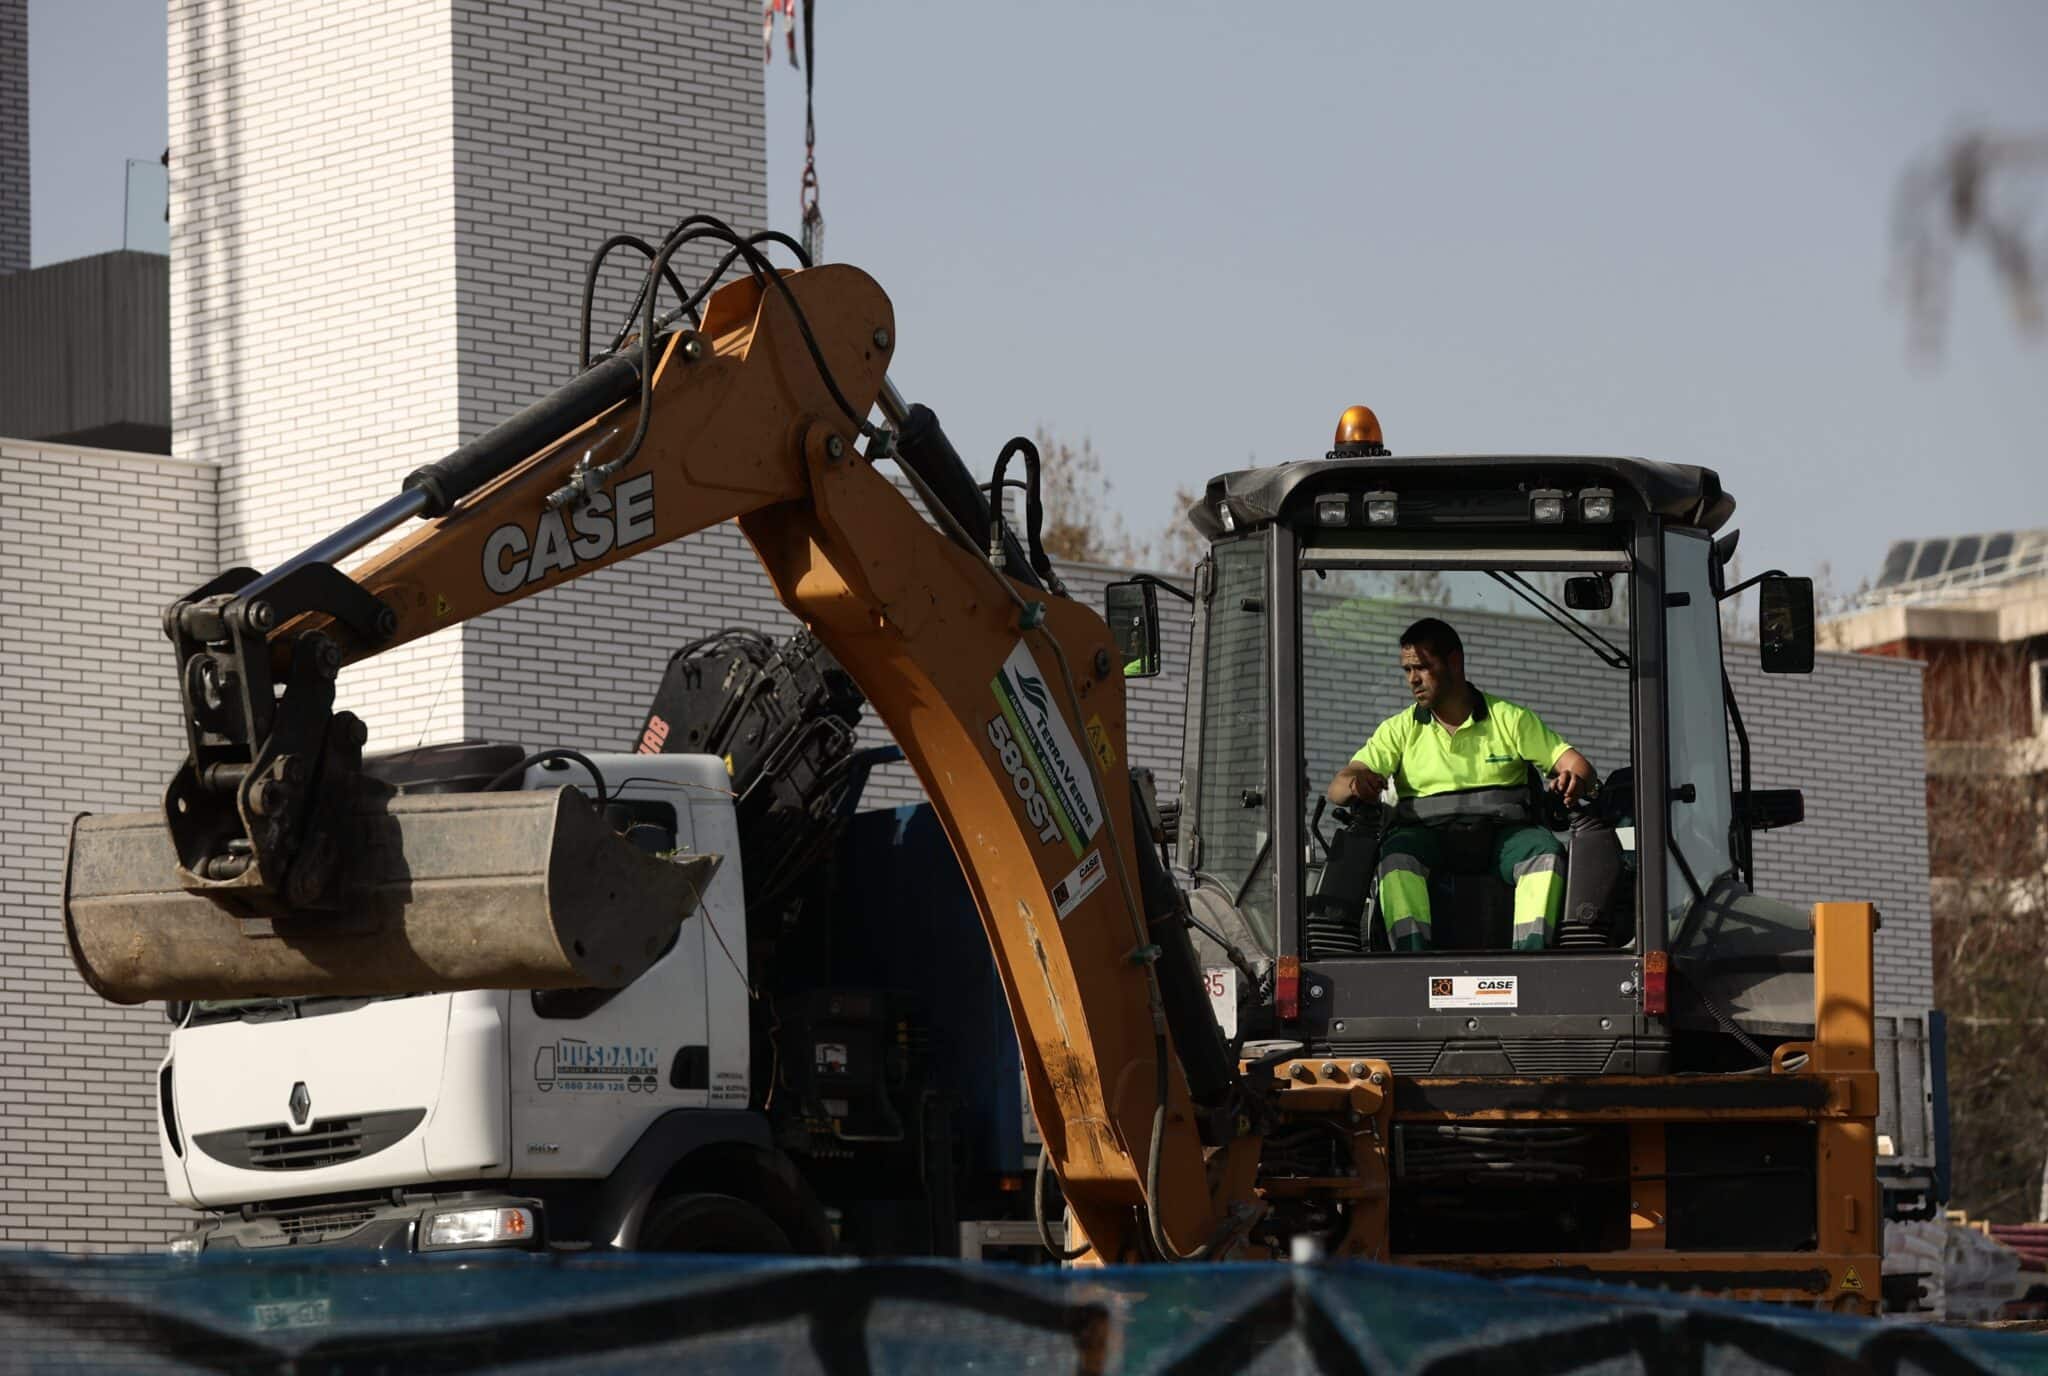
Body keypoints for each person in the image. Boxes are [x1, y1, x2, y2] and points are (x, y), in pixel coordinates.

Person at [1325, 618, 1597, 952]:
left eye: (1422, 667)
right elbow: (1337, 787)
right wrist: (1356, 784)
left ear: (1454, 661)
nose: (1413, 680)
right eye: (1407, 670)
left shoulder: (1510, 719)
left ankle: (1531, 960)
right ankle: (1411, 963)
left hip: (1503, 838)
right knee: (1395, 856)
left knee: (1545, 852)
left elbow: (1580, 767)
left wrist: (1575, 779)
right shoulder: (1398, 729)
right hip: (1427, 838)